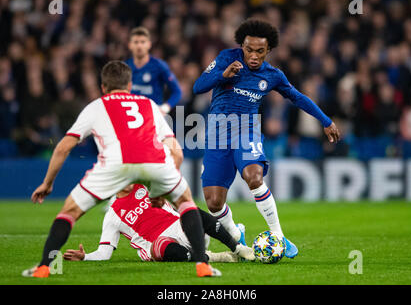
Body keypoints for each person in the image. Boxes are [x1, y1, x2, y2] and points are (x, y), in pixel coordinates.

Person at [23, 60, 220, 278]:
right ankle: (202, 264)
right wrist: (166, 185)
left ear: (103, 88)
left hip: (114, 164)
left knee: (69, 213)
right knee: (185, 203)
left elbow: (63, 147)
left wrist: (47, 183)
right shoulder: (147, 104)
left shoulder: (96, 107)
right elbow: (176, 150)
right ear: (129, 86)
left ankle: (43, 267)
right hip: (151, 162)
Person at [193, 19, 340, 258]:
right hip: (217, 133)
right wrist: (223, 74)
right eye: (249, 49)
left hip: (246, 130)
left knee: (253, 176)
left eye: (259, 51)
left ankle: (279, 237)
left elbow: (298, 97)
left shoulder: (273, 75)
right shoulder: (225, 58)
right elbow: (198, 87)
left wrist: (326, 120)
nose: (253, 55)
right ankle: (235, 234)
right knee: (214, 203)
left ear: (268, 50)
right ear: (242, 45)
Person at [63, 184, 254, 263]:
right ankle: (213, 257)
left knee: (193, 212)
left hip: (185, 229)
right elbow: (104, 253)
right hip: (158, 244)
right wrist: (85, 257)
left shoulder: (147, 185)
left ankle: (238, 248)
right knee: (160, 246)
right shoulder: (112, 215)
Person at [126, 27, 182, 115]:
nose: (139, 46)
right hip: (130, 116)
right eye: (136, 42)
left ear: (149, 44)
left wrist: (165, 107)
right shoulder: (125, 67)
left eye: (143, 42)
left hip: (153, 117)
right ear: (130, 45)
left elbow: (177, 91)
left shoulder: (159, 66)